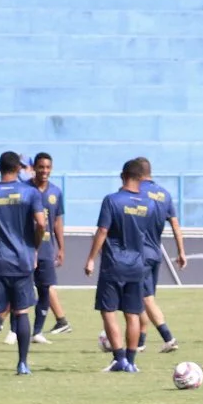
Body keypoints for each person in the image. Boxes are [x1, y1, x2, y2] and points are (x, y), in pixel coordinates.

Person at [0, 150, 48, 376]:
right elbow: (42, 224)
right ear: (18, 169)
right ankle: (22, 364)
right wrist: (33, 247)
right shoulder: (30, 193)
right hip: (23, 261)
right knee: (22, 312)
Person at [83, 160, 150, 374]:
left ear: (122, 176)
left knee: (109, 311)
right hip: (137, 265)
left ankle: (119, 359)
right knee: (132, 314)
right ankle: (131, 361)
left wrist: (91, 258)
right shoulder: (148, 204)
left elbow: (103, 231)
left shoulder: (112, 201)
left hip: (113, 265)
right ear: (141, 178)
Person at [134, 158, 186, 353]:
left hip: (140, 253)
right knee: (144, 298)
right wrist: (181, 251)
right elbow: (174, 224)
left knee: (145, 298)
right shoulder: (164, 194)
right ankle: (140, 341)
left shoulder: (137, 192)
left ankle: (168, 337)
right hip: (156, 253)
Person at [28, 153, 71, 342]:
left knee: (45, 289)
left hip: (46, 248)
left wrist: (61, 248)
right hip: (27, 246)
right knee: (19, 287)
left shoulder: (56, 192)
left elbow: (57, 222)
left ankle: (37, 332)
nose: (44, 171)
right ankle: (12, 328)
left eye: (47, 167)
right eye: (41, 167)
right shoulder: (25, 189)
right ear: (34, 168)